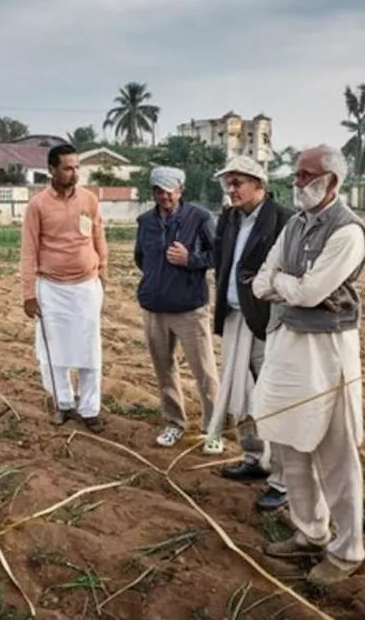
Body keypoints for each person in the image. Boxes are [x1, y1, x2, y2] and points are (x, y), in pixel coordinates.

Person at [252, 144, 365, 585]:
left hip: (327, 352)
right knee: (289, 442)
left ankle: (347, 548)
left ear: (332, 181)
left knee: (335, 453)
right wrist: (288, 284)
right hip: (287, 346)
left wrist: (287, 285)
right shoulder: (295, 224)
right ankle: (310, 532)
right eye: (297, 175)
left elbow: (311, 293)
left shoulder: (348, 232)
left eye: (305, 175)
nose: (296, 182)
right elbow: (263, 281)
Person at [208, 155, 294, 512]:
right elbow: (220, 260)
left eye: (238, 182)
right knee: (240, 390)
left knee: (270, 396)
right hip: (234, 317)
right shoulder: (229, 218)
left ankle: (283, 479)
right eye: (229, 183)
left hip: (265, 321)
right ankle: (253, 457)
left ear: (259, 185)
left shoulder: (283, 220)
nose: (232, 189)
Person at [20, 144, 109, 433]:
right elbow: (28, 250)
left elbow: (99, 237)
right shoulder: (37, 205)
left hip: (85, 287)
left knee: (89, 350)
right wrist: (29, 293)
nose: (74, 173)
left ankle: (90, 408)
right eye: (68, 168)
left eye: (77, 167)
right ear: (52, 169)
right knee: (53, 352)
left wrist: (102, 275)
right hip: (52, 289)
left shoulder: (89, 200)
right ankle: (63, 404)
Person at [134, 166, 219, 449]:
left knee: (204, 371)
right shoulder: (145, 221)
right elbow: (140, 258)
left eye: (169, 190)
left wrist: (191, 259)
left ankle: (213, 428)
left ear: (181, 190)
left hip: (189, 309)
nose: (164, 195)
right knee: (164, 369)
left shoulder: (200, 218)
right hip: (155, 308)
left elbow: (219, 255)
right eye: (158, 190)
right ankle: (174, 422)